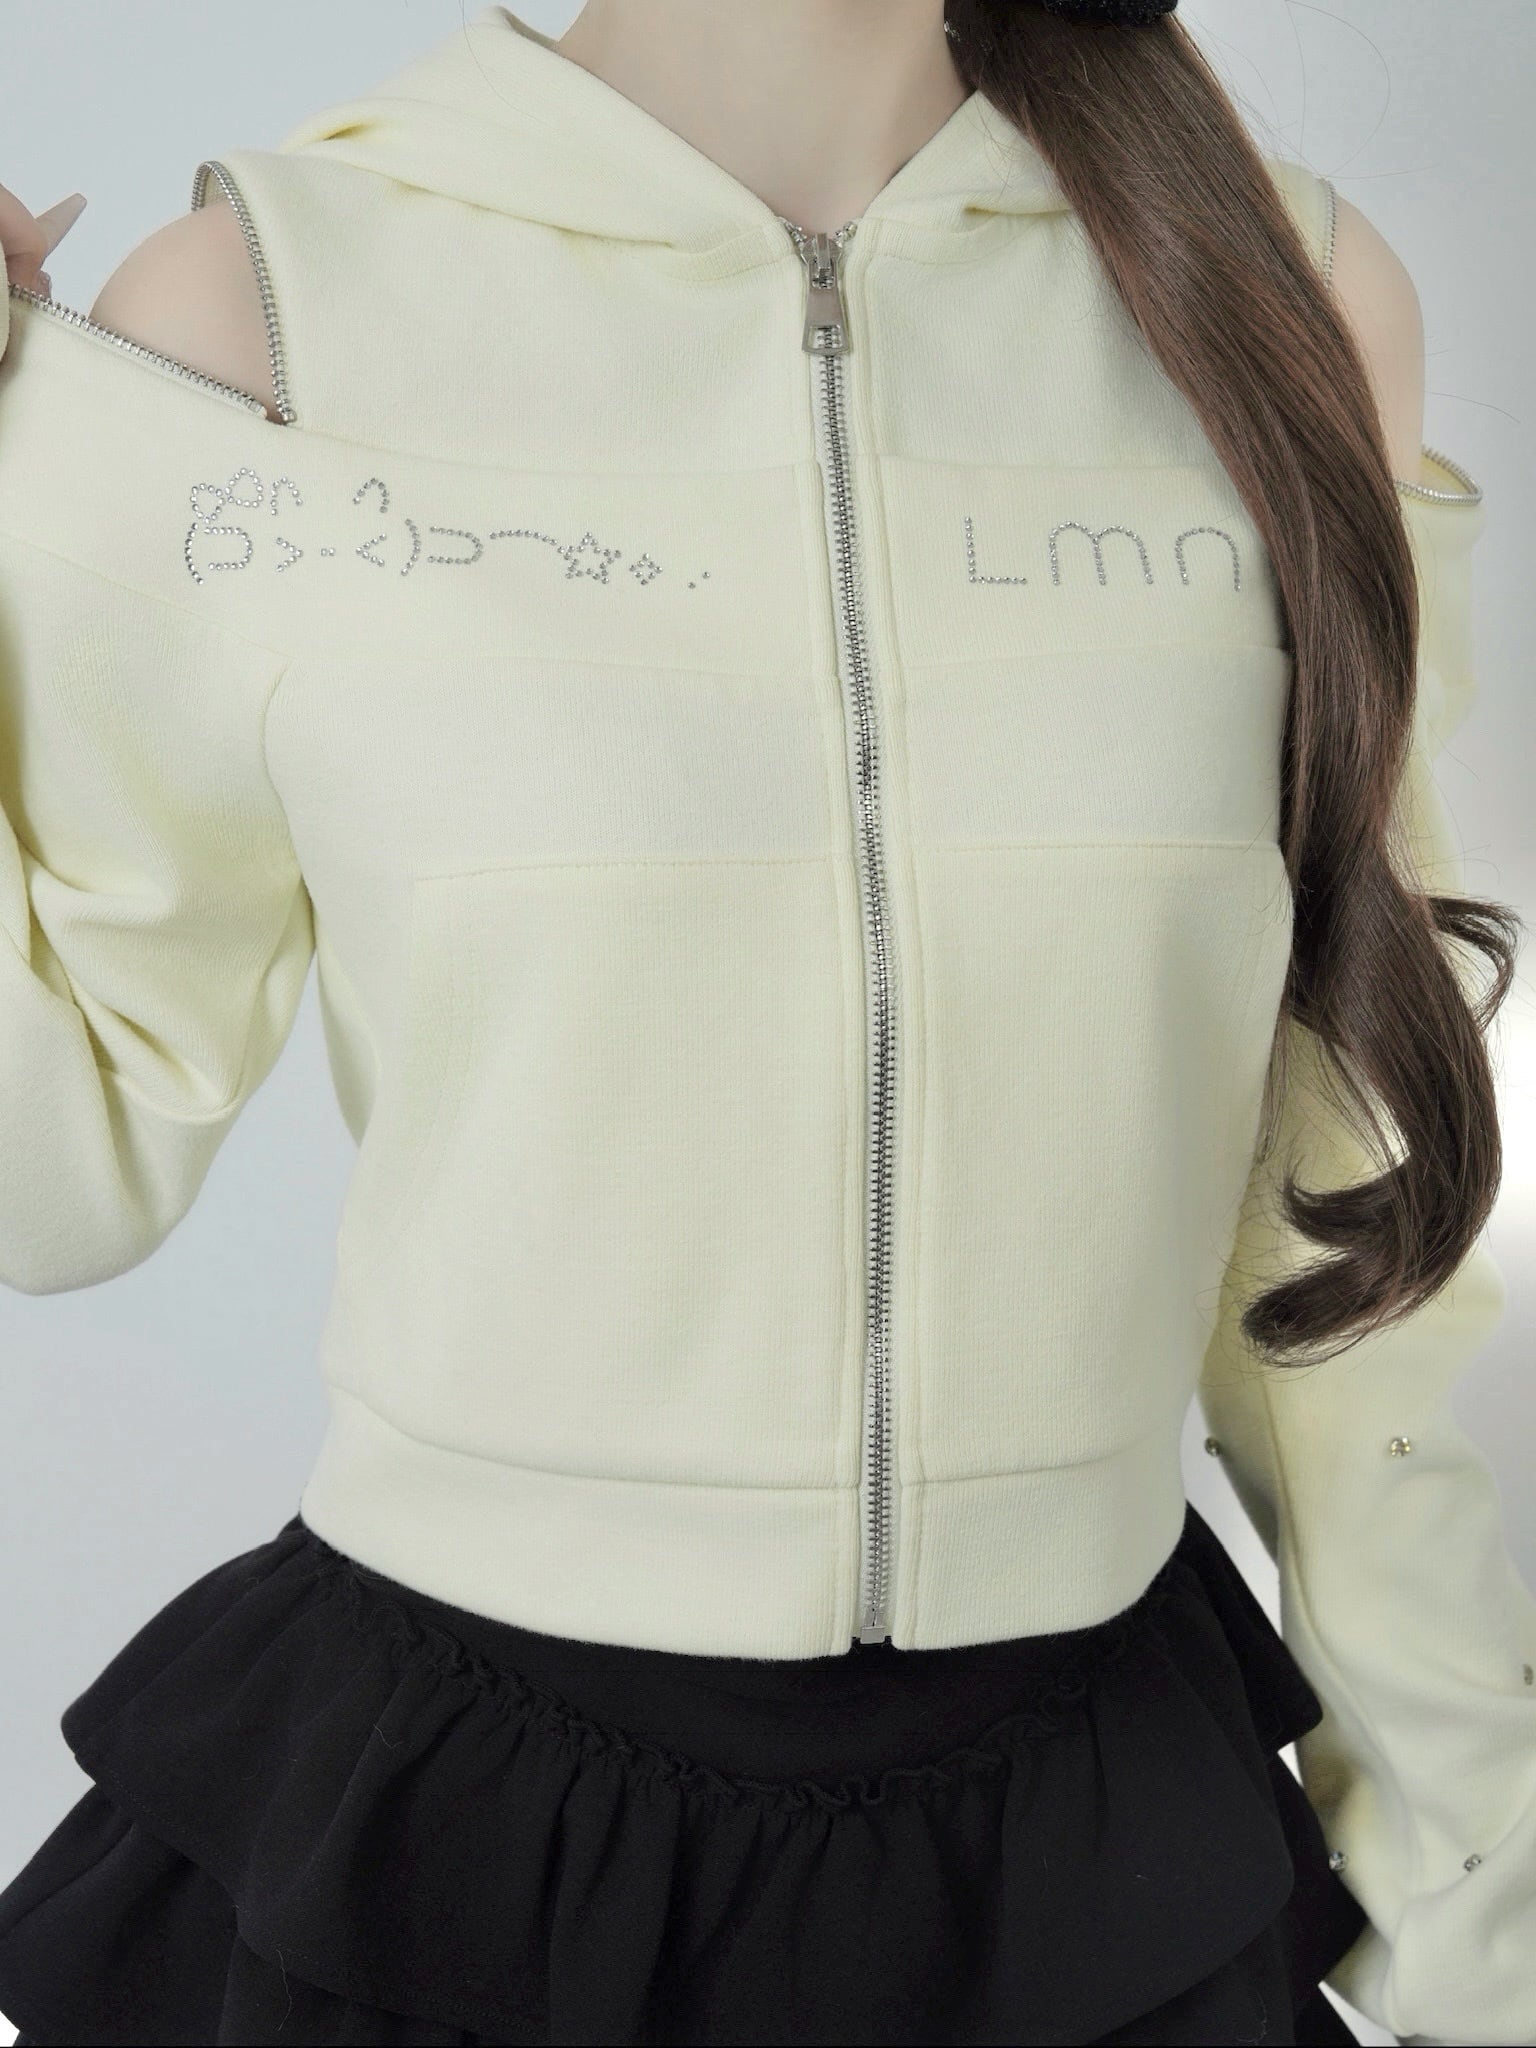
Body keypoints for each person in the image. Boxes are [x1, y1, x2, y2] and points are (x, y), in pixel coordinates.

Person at [0, 3, 1529, 2042]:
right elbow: (54, 1169)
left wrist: (1485, 1902)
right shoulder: (255, 307)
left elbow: (1341, 1201)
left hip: (1093, 1868)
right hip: (453, 1863)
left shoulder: (1282, 294)